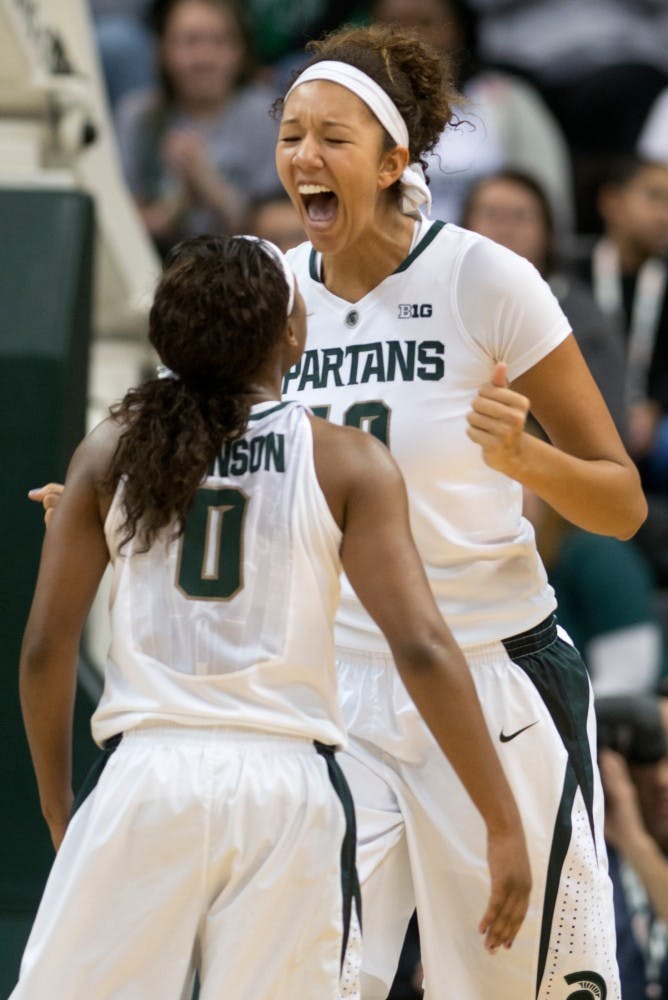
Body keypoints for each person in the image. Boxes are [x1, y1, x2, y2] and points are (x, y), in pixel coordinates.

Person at [15, 235, 531, 998]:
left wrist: (61, 808)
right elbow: (421, 647)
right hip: (285, 788)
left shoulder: (112, 447)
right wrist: (500, 817)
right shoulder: (346, 460)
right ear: (292, 333)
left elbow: (44, 651)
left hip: (145, 772)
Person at [272, 22, 646, 999]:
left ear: (394, 158)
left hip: (491, 676)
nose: (303, 156)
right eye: (289, 133)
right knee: (303, 979)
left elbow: (620, 503)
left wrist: (526, 458)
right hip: (333, 685)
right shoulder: (269, 293)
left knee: (505, 983)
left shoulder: (482, 279)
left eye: (332, 138)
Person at [370, 0, 575, 236]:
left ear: (457, 30)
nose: (409, 38)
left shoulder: (506, 99)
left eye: (425, 23)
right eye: (393, 25)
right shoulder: (355, 107)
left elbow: (548, 200)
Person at [460, 168, 627, 435]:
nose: (504, 228)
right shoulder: (438, 301)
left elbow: (609, 431)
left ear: (548, 232)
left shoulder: (583, 317)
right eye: (491, 214)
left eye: (520, 216)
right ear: (463, 225)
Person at [114, 0, 279, 255]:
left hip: (245, 269)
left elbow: (280, 224)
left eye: (219, 42)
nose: (204, 58)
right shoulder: (139, 116)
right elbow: (118, 220)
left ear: (240, 51)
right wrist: (173, 210)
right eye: (190, 42)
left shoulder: (264, 113)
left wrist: (210, 188)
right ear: (163, 50)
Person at [597, 693, 668, 996]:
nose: (663, 779)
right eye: (651, 758)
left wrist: (634, 841)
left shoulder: (631, 840)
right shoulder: (595, 855)